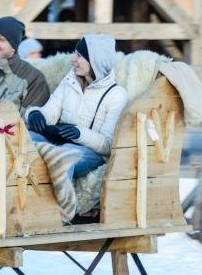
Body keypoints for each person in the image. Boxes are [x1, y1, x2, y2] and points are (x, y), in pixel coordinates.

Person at [25, 33, 127, 178]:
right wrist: (36, 115)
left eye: (79, 55)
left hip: (90, 153)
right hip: (58, 142)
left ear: (94, 60)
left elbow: (108, 145)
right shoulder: (70, 81)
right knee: (23, 138)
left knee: (64, 156)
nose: (73, 59)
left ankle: (58, 200)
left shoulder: (117, 94)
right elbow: (50, 111)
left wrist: (80, 133)